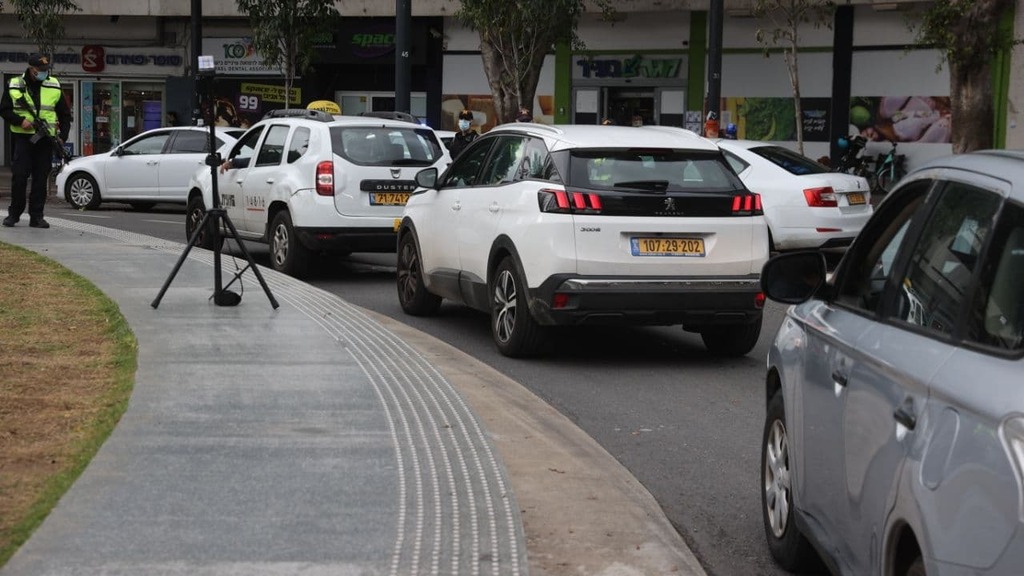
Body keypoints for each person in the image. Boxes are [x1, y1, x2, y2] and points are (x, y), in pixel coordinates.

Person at [1, 54, 72, 229]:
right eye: (39, 71)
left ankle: (37, 216)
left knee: (40, 179)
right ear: (31, 69)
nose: (43, 73)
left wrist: (63, 137)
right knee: (20, 176)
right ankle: (14, 214)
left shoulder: (53, 84)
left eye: (45, 70)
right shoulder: (15, 84)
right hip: (23, 138)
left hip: (45, 139)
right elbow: (4, 110)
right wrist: (20, 121)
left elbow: (64, 114)